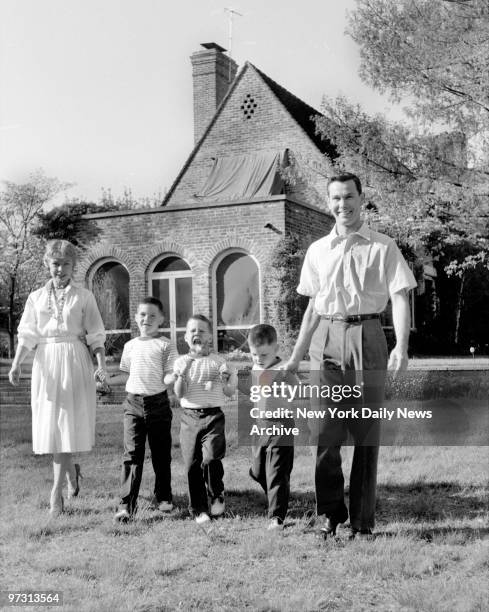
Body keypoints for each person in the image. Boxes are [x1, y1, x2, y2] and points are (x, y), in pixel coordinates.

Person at [283, 172, 417, 539]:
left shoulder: (383, 246)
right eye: (336, 199)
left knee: (365, 433)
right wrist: (295, 356)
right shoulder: (317, 250)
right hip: (325, 337)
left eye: (348, 197)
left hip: (367, 335)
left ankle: (361, 520)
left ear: (361, 198)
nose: (343, 205)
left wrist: (401, 348)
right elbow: (312, 307)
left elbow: (400, 297)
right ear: (329, 202)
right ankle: (330, 513)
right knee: (324, 430)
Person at [8, 239, 106, 516]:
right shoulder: (36, 298)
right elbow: (27, 334)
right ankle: (71, 473)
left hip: (74, 360)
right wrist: (16, 365)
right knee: (53, 424)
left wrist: (100, 366)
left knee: (67, 421)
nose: (60, 269)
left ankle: (56, 492)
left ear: (73, 266)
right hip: (47, 362)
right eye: (55, 263)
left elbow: (95, 334)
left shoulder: (84, 296)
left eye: (65, 264)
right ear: (47, 264)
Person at [112, 297, 178, 522]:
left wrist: (173, 378)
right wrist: (105, 382)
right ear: (136, 317)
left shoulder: (166, 344)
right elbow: (125, 375)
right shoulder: (130, 346)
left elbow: (169, 373)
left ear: (161, 319)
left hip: (158, 404)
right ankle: (126, 504)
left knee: (161, 454)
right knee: (132, 455)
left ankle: (163, 496)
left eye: (152, 316)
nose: (146, 319)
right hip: (133, 404)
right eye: (142, 314)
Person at [170, 315, 237, 524]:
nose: (196, 333)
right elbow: (179, 394)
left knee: (211, 457)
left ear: (210, 337)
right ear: (186, 338)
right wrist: (183, 373)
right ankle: (198, 508)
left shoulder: (218, 361)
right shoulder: (181, 362)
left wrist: (227, 378)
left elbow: (227, 391)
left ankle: (216, 493)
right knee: (192, 464)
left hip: (214, 415)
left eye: (201, 330)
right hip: (189, 417)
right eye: (192, 331)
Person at [247, 324, 299, 531]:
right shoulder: (255, 367)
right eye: (254, 354)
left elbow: (298, 390)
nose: (258, 358)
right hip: (260, 425)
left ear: (275, 349)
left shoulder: (283, 369)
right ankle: (278, 493)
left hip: (281, 424)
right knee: (259, 472)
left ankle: (277, 517)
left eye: (263, 354)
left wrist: (290, 381)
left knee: (277, 471)